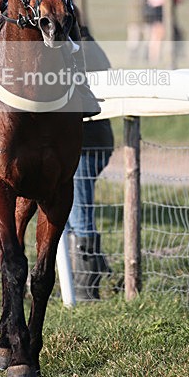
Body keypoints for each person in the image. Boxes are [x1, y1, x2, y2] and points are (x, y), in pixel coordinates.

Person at [67, 24, 114, 300]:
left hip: (86, 143)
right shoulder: (88, 43)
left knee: (79, 216)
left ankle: (86, 290)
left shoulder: (78, 47)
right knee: (72, 214)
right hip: (93, 140)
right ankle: (87, 276)